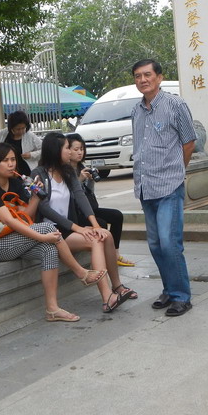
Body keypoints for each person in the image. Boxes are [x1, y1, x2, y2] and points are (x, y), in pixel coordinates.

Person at [0, 143, 105, 323]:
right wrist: (42, 237)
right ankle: (81, 273)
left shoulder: (16, 183)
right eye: (5, 160)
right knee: (48, 229)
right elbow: (9, 221)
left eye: (13, 159)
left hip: (14, 238)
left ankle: (52, 309)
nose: (11, 164)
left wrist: (36, 196)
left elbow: (26, 216)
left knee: (49, 249)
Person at [32, 132, 134, 313]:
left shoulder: (68, 172)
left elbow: (81, 197)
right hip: (51, 230)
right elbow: (44, 208)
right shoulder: (38, 174)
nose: (70, 152)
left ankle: (117, 286)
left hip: (69, 228)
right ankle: (107, 297)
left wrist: (95, 225)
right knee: (96, 240)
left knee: (106, 234)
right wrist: (78, 228)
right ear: (55, 150)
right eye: (66, 148)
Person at [130, 59, 196, 317]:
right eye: (138, 76)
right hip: (145, 187)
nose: (142, 80)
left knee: (170, 243)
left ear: (159, 77)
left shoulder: (175, 105)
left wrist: (177, 171)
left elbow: (189, 142)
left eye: (147, 75)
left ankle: (181, 296)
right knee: (156, 244)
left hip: (169, 185)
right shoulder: (136, 111)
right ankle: (169, 289)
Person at [66, 133, 136, 268]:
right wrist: (79, 179)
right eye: (76, 149)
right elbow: (71, 195)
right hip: (76, 212)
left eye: (82, 149)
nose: (80, 152)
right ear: (68, 150)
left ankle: (115, 254)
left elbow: (89, 192)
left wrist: (90, 180)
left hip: (90, 207)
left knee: (117, 215)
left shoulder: (81, 167)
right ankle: (103, 257)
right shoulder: (66, 170)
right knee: (101, 224)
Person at [0, 110, 43, 177]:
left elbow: (44, 149)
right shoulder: (3, 134)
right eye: (18, 129)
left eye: (23, 128)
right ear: (11, 128)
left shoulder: (30, 136)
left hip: (26, 172)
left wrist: (31, 155)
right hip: (7, 171)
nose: (21, 131)